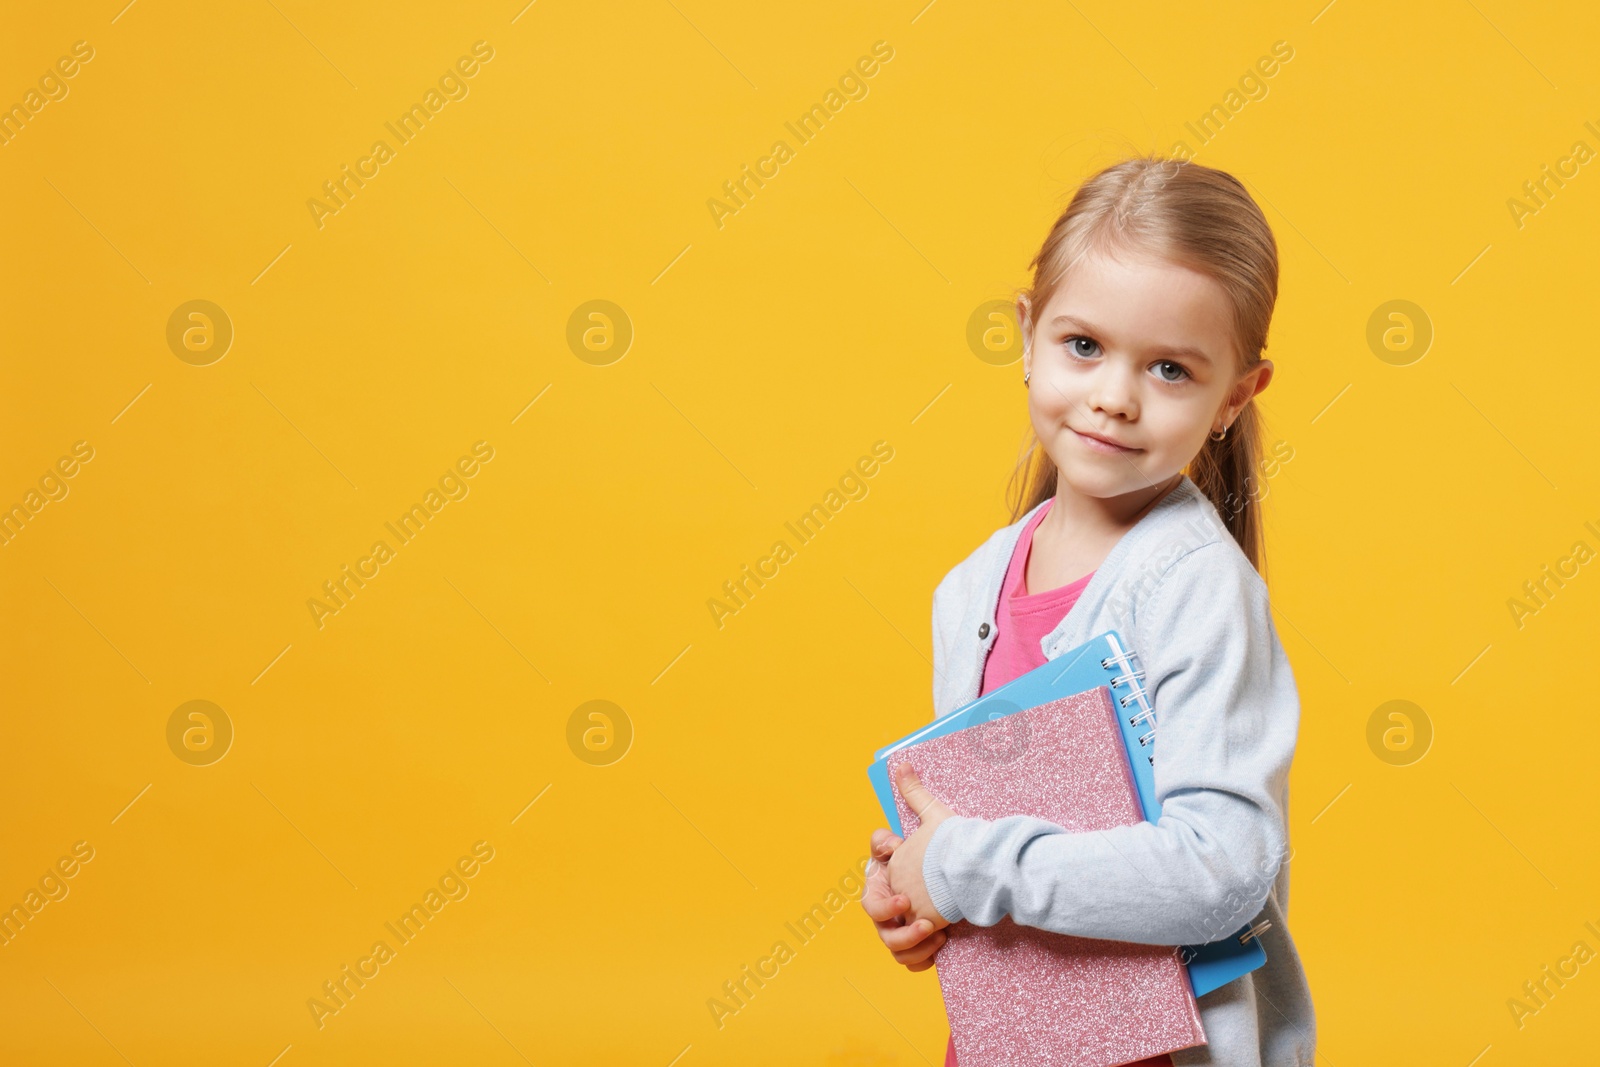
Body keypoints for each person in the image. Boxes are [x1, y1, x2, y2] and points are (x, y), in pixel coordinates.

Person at [860, 155, 1316, 1066]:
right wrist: (914, 889)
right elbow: (972, 830)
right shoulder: (972, 588)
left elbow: (1222, 871)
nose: (1114, 393)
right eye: (1083, 346)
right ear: (1027, 334)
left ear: (1235, 394)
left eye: (1170, 369)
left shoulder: (1196, 590)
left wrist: (964, 867)